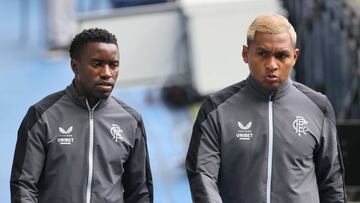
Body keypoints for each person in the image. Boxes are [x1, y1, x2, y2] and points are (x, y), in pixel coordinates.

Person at [186, 13, 346, 203]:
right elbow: (202, 175)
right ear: (246, 54)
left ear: (294, 57)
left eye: (281, 55)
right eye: (263, 54)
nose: (271, 65)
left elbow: (332, 182)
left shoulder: (318, 107)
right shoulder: (215, 109)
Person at [10, 28, 153, 203]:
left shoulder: (131, 121)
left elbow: (140, 191)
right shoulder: (42, 116)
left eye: (113, 65)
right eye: (97, 64)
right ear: (75, 66)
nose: (107, 73)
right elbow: (23, 185)